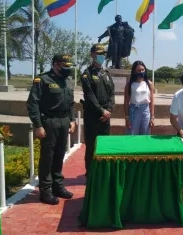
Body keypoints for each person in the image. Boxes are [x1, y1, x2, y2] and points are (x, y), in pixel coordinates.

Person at [26, 53, 76, 205]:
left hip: (64, 121)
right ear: (55, 64)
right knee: (48, 156)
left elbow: (71, 103)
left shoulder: (67, 81)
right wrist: (38, 125)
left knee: (59, 155)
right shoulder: (42, 80)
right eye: (64, 66)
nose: (67, 69)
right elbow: (32, 103)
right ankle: (45, 190)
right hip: (49, 122)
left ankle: (57, 186)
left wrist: (72, 120)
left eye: (69, 66)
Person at [80, 43, 115, 177]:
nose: (101, 56)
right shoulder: (86, 74)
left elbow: (112, 93)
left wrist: (109, 110)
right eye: (98, 54)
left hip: (106, 116)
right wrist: (102, 111)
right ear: (92, 55)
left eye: (103, 54)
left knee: (104, 144)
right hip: (93, 116)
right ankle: (90, 173)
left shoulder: (106, 73)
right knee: (91, 145)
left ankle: (102, 171)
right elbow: (90, 95)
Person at [124, 61, 155, 135]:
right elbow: (126, 101)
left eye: (142, 70)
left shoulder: (149, 83)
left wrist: (152, 116)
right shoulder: (130, 84)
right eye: (138, 70)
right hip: (133, 111)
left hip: (145, 111)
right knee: (132, 133)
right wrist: (127, 117)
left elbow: (152, 101)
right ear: (134, 71)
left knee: (145, 133)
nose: (141, 72)